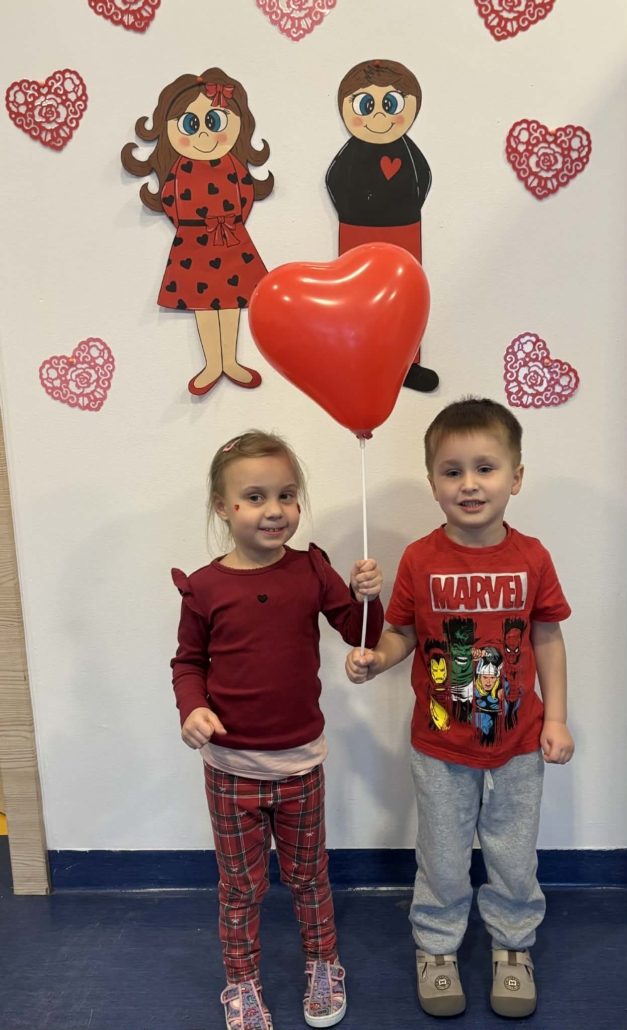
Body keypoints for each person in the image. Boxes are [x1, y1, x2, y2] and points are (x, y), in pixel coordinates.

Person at [346, 398, 574, 1019]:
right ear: (432, 483)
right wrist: (376, 658)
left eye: (485, 468)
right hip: (440, 746)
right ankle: (438, 948)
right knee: (443, 858)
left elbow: (548, 636)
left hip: (518, 745)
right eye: (452, 471)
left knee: (513, 856)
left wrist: (555, 716)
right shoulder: (420, 559)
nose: (469, 484)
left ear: (516, 477)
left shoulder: (532, 557)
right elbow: (400, 633)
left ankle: (513, 945)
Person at [171, 431, 384, 1030]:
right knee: (240, 888)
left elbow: (360, 632)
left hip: (300, 767)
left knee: (309, 878)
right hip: (230, 771)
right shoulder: (205, 587)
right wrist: (191, 708)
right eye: (256, 497)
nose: (275, 510)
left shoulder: (312, 569)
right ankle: (241, 983)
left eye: (287, 495)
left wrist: (367, 597)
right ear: (222, 507)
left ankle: (323, 965)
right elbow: (187, 662)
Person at [122, 68, 273, 396]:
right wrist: (197, 227)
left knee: (230, 303)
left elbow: (244, 196)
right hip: (194, 244)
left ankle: (230, 361)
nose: (204, 134)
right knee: (204, 305)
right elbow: (171, 202)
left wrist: (227, 223)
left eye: (214, 122)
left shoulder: (233, 165)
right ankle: (213, 364)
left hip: (231, 239)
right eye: (192, 124)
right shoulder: (179, 169)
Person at [325, 58, 437, 393]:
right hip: (357, 231)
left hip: (404, 230)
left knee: (405, 297)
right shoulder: (350, 154)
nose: (378, 117)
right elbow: (334, 182)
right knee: (357, 296)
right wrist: (353, 212)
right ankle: (358, 361)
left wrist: (405, 210)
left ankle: (407, 365)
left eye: (390, 105)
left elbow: (423, 180)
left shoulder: (409, 152)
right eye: (366, 105)